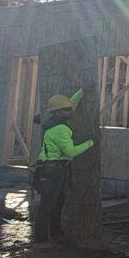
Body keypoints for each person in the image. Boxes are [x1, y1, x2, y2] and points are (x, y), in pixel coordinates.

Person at [33, 90, 94, 243]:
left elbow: (69, 104)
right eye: (67, 110)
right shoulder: (61, 129)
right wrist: (90, 143)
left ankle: (55, 232)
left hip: (52, 168)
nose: (71, 111)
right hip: (52, 170)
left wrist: (81, 91)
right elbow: (71, 151)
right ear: (59, 113)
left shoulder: (52, 119)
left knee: (57, 202)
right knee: (47, 206)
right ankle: (41, 240)